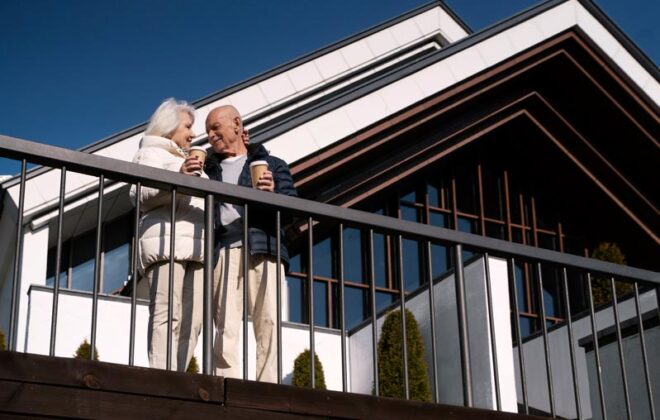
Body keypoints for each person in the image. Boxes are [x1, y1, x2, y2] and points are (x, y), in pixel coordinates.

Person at [204, 105, 296, 382]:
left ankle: (267, 386)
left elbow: (291, 209)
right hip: (224, 249)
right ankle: (225, 383)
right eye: (208, 131)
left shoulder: (273, 164)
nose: (210, 135)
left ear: (236, 124)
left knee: (268, 320)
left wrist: (273, 195)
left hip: (263, 246)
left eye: (215, 127)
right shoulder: (209, 168)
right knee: (225, 324)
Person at [129, 98, 205, 371]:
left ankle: (180, 375)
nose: (193, 134)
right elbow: (140, 193)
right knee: (166, 313)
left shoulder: (190, 159)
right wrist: (179, 175)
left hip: (198, 249)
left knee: (194, 321)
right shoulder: (150, 152)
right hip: (166, 243)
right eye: (188, 126)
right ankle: (163, 376)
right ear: (169, 127)